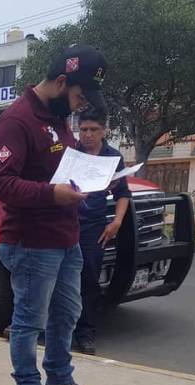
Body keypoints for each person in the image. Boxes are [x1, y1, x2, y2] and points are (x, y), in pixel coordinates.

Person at [0, 45, 108, 385]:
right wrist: (51, 194)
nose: (79, 107)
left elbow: (57, 168)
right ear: (61, 82)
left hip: (65, 238)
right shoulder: (16, 120)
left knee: (66, 314)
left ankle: (59, 379)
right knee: (29, 321)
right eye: (77, 97)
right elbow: (3, 183)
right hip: (31, 242)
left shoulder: (57, 120)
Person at [73, 107, 131, 355]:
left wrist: (116, 222)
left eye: (93, 130)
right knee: (60, 281)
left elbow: (123, 194)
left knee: (89, 281)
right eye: (83, 129)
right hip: (66, 222)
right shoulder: (71, 153)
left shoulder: (113, 157)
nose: (87, 135)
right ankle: (55, 329)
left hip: (93, 228)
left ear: (103, 130)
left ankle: (86, 334)